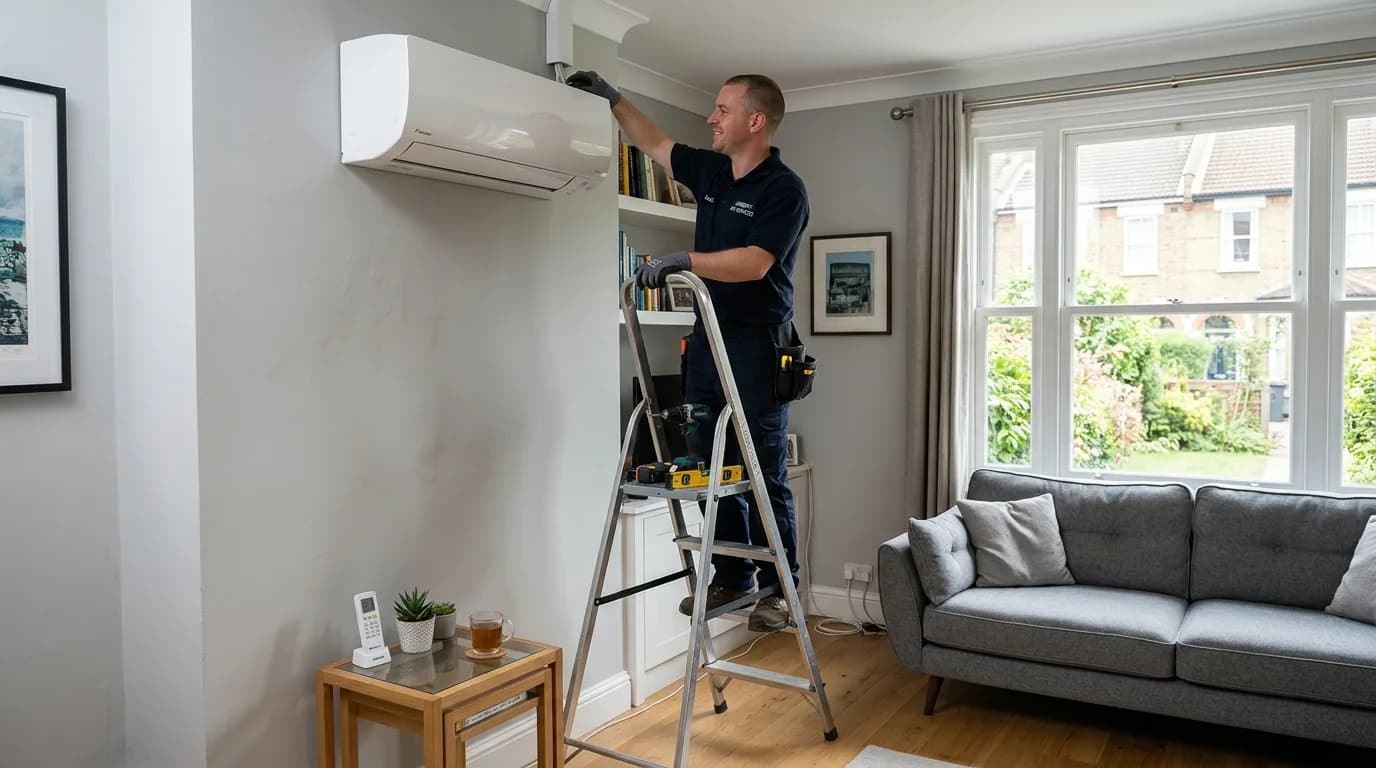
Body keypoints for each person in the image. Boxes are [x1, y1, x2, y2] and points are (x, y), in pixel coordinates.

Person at [567, 70, 809, 632]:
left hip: (756, 345)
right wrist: (614, 99)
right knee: (706, 466)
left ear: (755, 120)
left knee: (760, 469)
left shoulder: (784, 189)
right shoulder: (712, 170)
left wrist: (687, 260)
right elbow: (654, 143)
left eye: (723, 110)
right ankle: (732, 574)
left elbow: (756, 263)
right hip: (706, 339)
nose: (711, 118)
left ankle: (778, 589)